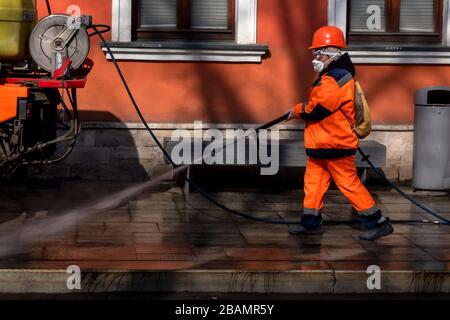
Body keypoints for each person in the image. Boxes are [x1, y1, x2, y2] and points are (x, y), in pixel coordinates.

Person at [286, 26, 393, 241]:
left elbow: (318, 109)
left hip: (335, 144)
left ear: (333, 52)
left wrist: (296, 110)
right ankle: (310, 223)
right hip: (322, 144)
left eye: (319, 51)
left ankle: (377, 222)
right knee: (313, 185)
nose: (315, 56)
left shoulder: (335, 77)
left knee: (349, 185)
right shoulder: (330, 75)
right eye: (314, 52)